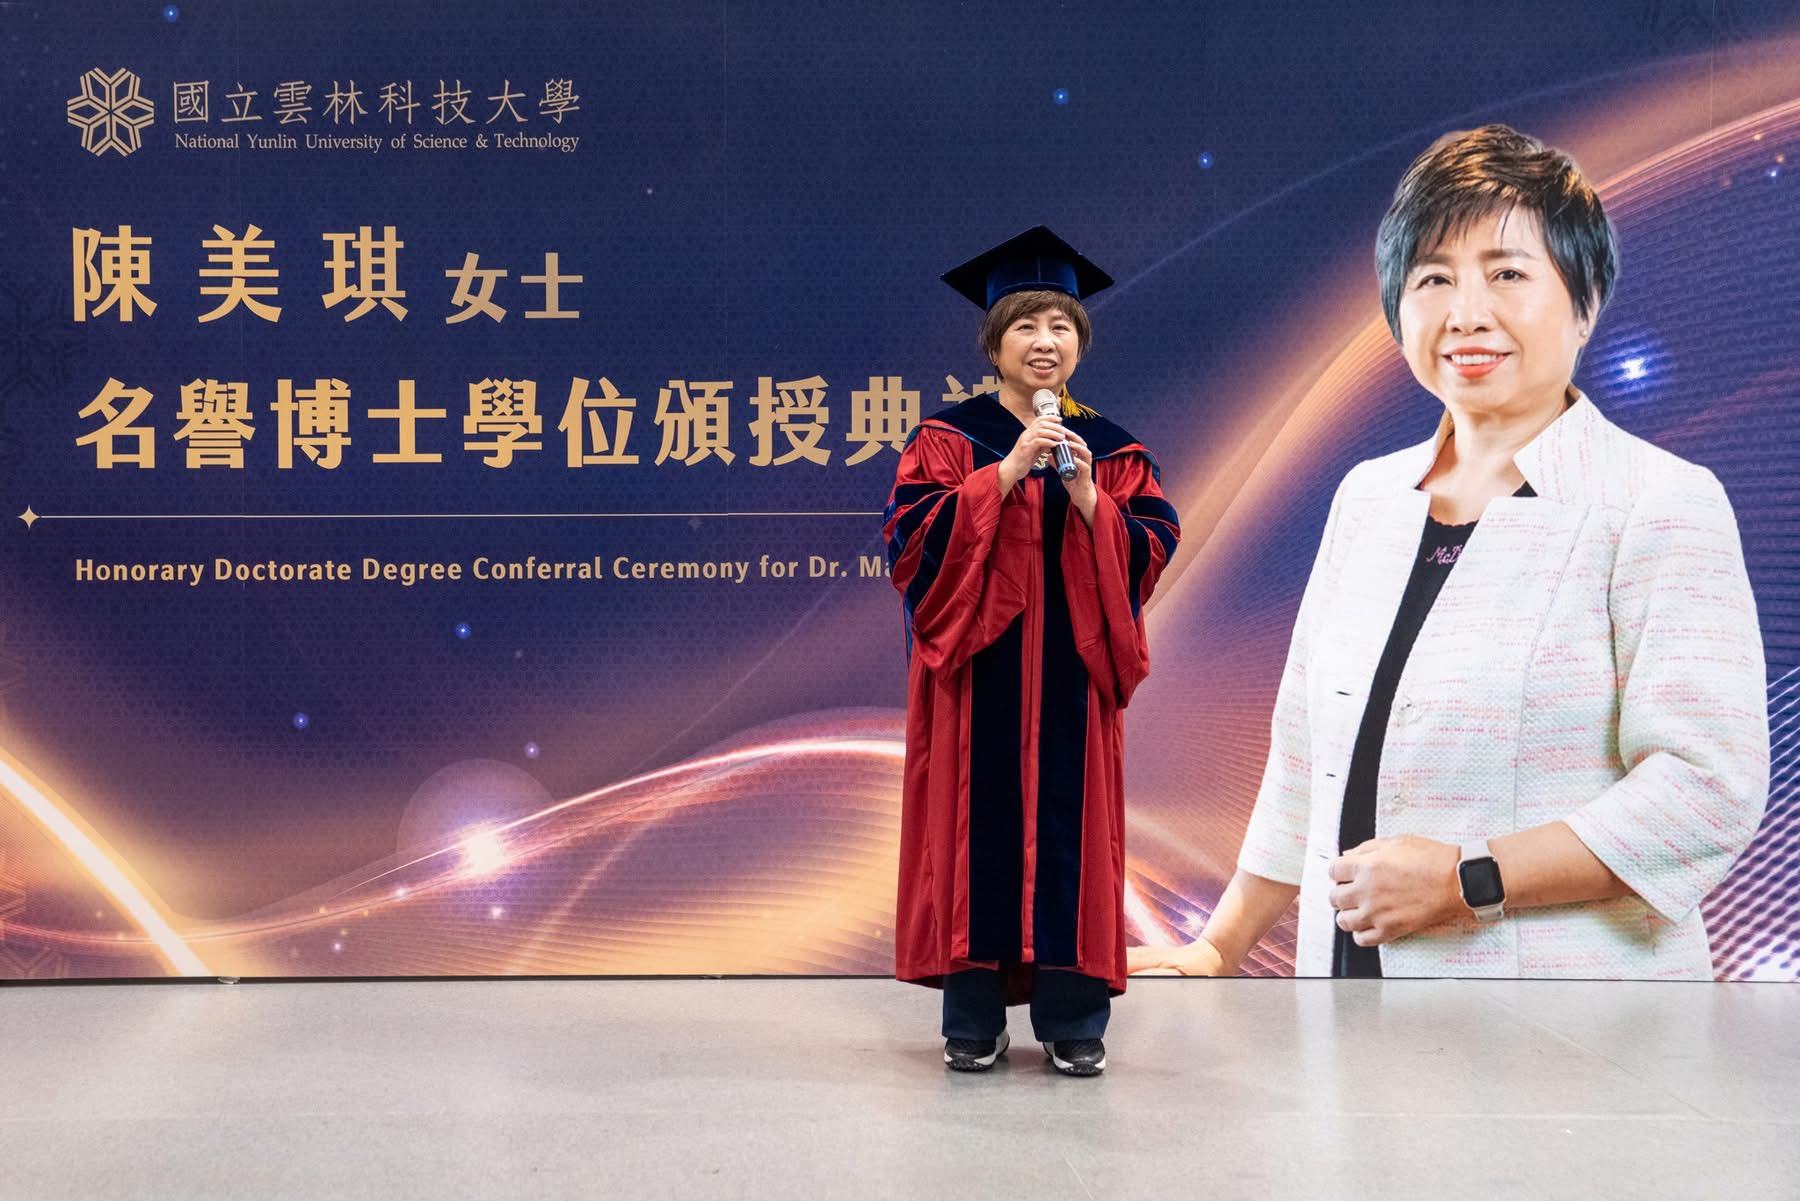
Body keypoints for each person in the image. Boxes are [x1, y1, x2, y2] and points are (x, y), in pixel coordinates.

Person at [1131, 125, 1767, 981]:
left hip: (1570, 1022)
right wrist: (1221, 946)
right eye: (1433, 278)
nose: (1466, 313)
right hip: (1343, 1003)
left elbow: (1705, 789)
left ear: (1584, 302)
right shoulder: (1367, 498)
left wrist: (1469, 880)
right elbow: (1305, 759)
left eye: (1507, 273)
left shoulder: (1657, 502)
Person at [884, 226, 1179, 1073]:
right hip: (979, 680)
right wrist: (1004, 472)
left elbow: (1152, 544)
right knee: (974, 836)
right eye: (1025, 325)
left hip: (1071, 681)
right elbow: (911, 545)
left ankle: (1073, 1017)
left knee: (1070, 841)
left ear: (1079, 342)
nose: (1045, 342)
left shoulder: (1112, 449)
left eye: (1060, 326)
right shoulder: (948, 441)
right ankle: (973, 1017)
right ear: (995, 344)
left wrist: (1090, 498)